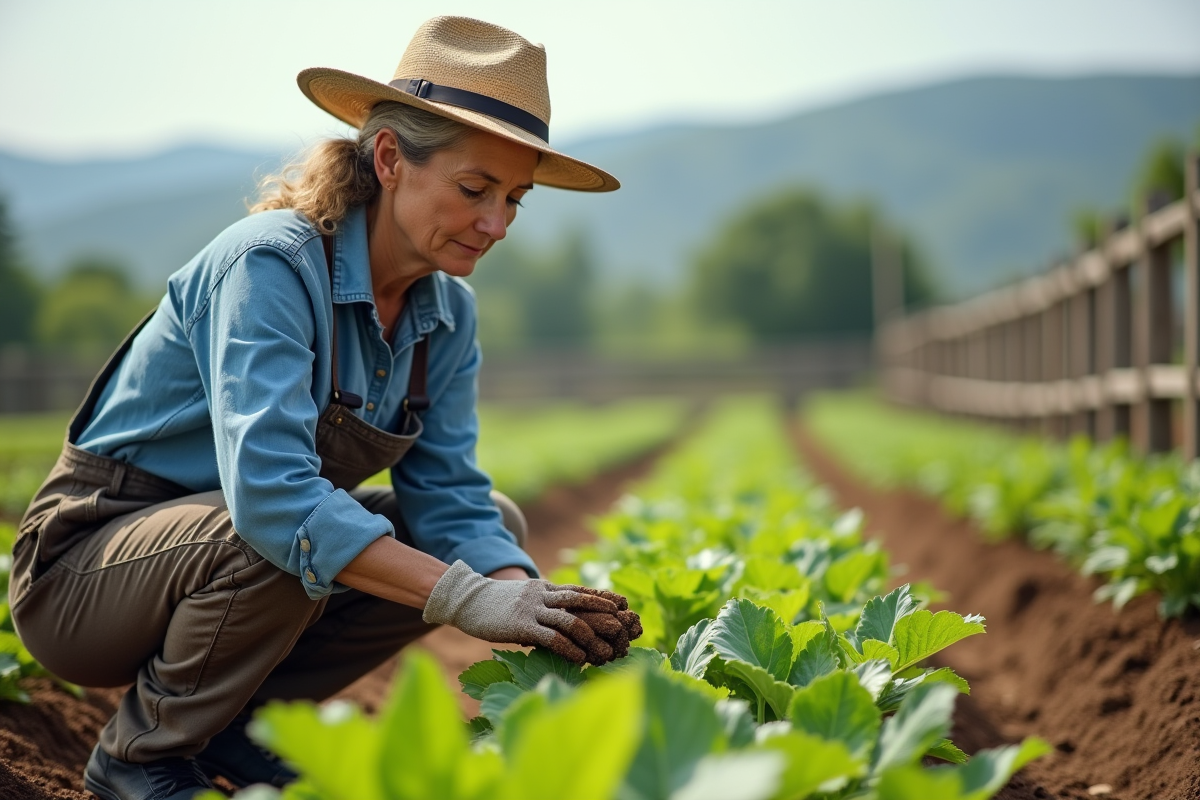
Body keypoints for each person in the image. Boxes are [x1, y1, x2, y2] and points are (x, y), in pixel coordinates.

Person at [7, 16, 639, 800]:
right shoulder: (271, 264)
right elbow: (272, 499)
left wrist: (534, 605)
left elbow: (448, 497)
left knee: (494, 531)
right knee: (281, 533)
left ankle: (240, 731)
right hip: (85, 576)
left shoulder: (448, 315)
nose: (497, 223)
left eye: (516, 199)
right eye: (475, 189)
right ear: (388, 160)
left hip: (220, 564)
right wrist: (468, 599)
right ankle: (141, 763)